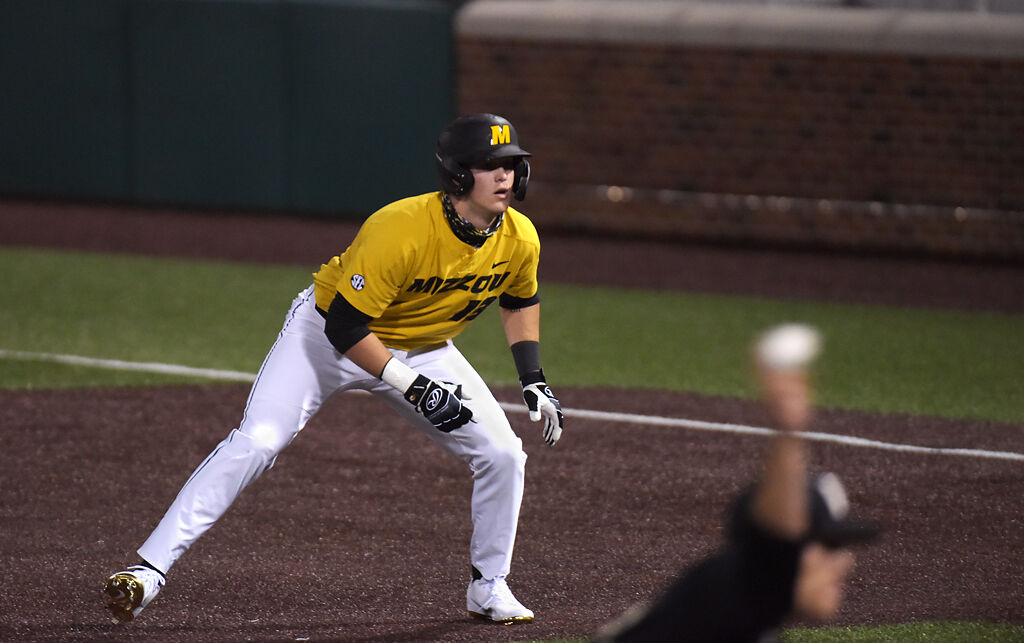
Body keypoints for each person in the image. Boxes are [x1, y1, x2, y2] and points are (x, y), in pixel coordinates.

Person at [103, 113, 564, 625]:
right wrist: (414, 387)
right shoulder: (401, 228)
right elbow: (345, 327)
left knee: (503, 455)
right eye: (490, 165)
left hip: (425, 348)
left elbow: (520, 299)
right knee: (258, 441)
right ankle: (148, 569)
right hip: (324, 338)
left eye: (511, 165)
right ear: (458, 175)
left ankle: (489, 586)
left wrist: (533, 378)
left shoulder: (520, 237)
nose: (504, 176)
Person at [592, 324, 880, 642]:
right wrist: (788, 431)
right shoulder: (733, 601)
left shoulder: (747, 619)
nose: (844, 564)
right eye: (829, 548)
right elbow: (778, 537)